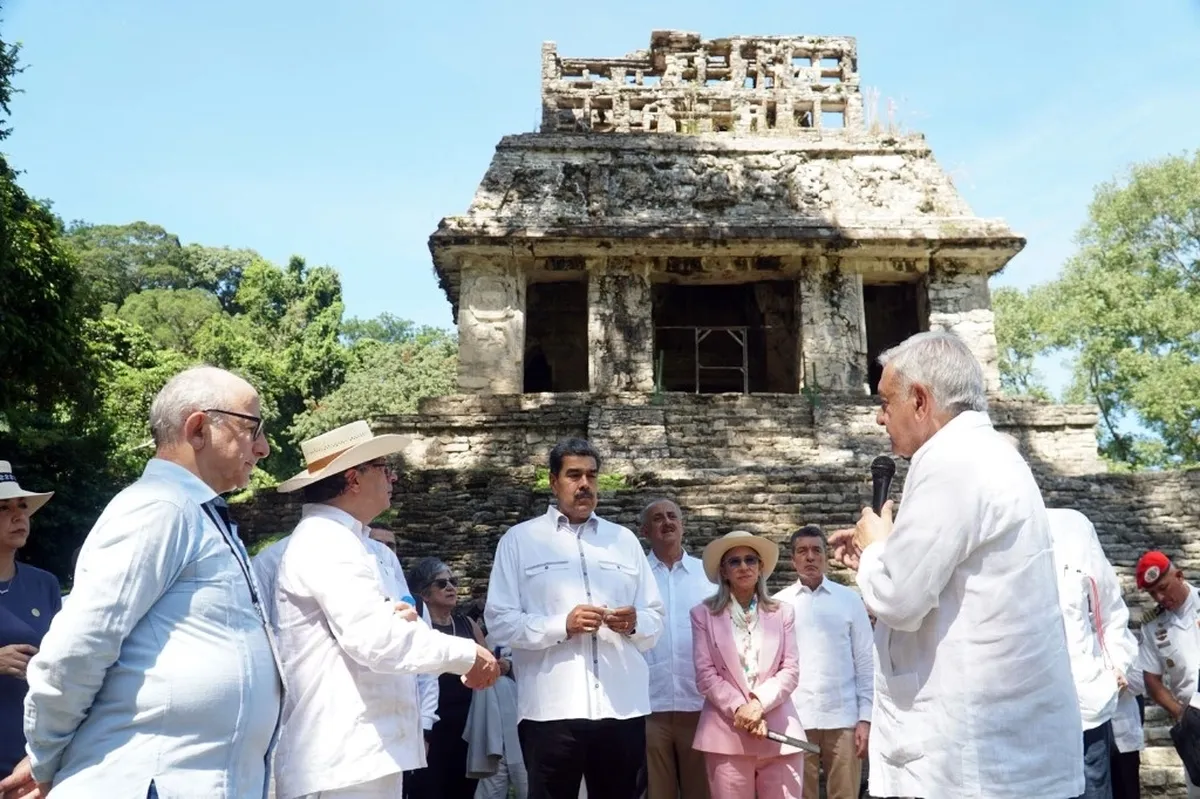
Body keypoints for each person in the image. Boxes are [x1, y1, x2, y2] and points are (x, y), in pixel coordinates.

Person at [3, 365, 281, 798]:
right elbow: (78, 647)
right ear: (198, 428)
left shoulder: (195, 513)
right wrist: (44, 756)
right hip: (154, 780)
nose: (262, 448)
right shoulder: (158, 507)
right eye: (252, 428)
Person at [828, 331, 1084, 798]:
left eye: (886, 402)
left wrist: (878, 548)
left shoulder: (953, 462)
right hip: (1000, 749)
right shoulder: (986, 454)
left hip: (971, 761)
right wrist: (879, 551)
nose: (880, 416)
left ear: (921, 400)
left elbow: (901, 599)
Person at [264, 420, 499, 799]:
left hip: (361, 751)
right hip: (341, 757)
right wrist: (465, 654)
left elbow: (387, 629)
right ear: (354, 479)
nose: (393, 477)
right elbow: (375, 640)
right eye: (384, 468)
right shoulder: (327, 542)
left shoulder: (356, 546)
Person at [484, 437, 664, 799]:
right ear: (554, 482)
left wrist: (634, 623)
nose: (585, 484)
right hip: (551, 709)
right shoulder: (520, 541)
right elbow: (500, 623)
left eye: (592, 476)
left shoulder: (624, 540)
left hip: (621, 706)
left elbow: (655, 618)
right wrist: (560, 626)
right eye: (574, 475)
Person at [691, 531, 805, 799]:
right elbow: (705, 675)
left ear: (760, 567)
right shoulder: (703, 615)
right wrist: (741, 709)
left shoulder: (782, 612)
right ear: (724, 571)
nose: (744, 567)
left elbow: (790, 670)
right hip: (725, 734)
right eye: (735, 561)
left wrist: (758, 705)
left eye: (750, 560)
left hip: (778, 730)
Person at [773, 525, 872, 799]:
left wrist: (866, 718)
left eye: (817, 550)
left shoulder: (850, 601)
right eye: (802, 551)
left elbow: (865, 662)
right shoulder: (778, 604)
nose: (810, 557)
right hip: (795, 719)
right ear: (792, 559)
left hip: (843, 720)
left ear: (826, 557)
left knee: (846, 794)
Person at [1046, 508, 1139, 799]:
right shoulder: (975, 528)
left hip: (1084, 714)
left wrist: (1115, 671)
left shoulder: (1071, 528)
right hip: (1012, 723)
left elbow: (1110, 610)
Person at [638, 498, 713, 799]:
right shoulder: (634, 574)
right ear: (645, 531)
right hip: (648, 705)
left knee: (702, 791)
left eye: (673, 516)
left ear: (682, 525)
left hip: (699, 705)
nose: (667, 522)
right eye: (658, 518)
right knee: (657, 792)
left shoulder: (708, 575)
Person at [405, 557, 489, 799]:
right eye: (442, 583)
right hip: (429, 723)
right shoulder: (417, 627)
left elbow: (487, 664)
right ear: (424, 594)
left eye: (453, 581)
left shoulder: (467, 624)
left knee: (462, 788)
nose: (451, 587)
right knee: (427, 788)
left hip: (466, 723)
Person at [0, 462, 59, 779]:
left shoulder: (44, 584)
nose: (18, 515)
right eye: (3, 507)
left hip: (32, 761)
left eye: (22, 506)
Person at [1134, 551, 1200, 798]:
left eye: (1163, 588)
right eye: (1153, 594)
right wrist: (1180, 714)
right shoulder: (1153, 625)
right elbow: (1152, 679)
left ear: (1180, 576)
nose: (1160, 598)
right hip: (1194, 724)